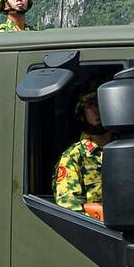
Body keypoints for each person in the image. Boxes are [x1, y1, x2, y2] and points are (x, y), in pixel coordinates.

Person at [54, 89, 110, 219]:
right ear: (82, 113)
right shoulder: (73, 156)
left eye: (101, 103)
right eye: (91, 105)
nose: (97, 110)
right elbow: (69, 210)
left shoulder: (128, 148)